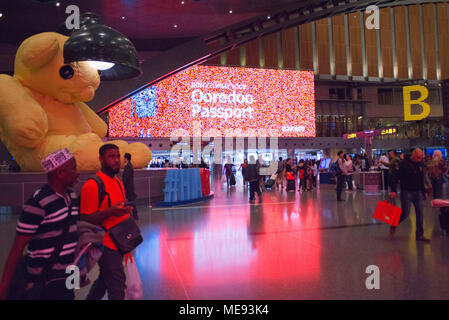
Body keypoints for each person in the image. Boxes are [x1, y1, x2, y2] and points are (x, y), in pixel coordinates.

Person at [0, 149, 80, 300]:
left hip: (71, 271)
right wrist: (3, 289)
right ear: (61, 173)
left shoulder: (72, 196)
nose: (78, 172)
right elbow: (17, 248)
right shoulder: (38, 203)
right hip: (46, 278)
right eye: (74, 168)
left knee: (70, 296)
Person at [80, 144, 133, 300]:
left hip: (120, 240)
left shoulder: (117, 182)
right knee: (117, 285)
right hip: (105, 243)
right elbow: (85, 218)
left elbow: (119, 207)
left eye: (118, 156)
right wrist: (111, 212)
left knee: (104, 280)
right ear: (101, 159)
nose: (116, 160)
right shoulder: (92, 185)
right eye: (111, 156)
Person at [389, 148, 431, 242]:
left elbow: (421, 179)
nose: (419, 159)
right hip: (406, 192)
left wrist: (424, 192)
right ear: (413, 155)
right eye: (418, 157)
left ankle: (420, 235)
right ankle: (394, 223)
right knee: (405, 213)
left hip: (418, 192)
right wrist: (393, 190)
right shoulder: (403, 164)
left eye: (421, 158)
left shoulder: (420, 164)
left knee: (420, 214)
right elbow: (395, 177)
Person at [123, 153, 138, 220]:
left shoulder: (128, 166)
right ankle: (132, 215)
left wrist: (123, 184)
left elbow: (126, 177)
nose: (123, 159)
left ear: (126, 158)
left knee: (130, 201)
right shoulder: (129, 165)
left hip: (128, 187)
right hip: (129, 186)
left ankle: (133, 215)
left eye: (124, 158)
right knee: (130, 201)